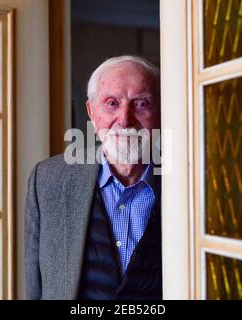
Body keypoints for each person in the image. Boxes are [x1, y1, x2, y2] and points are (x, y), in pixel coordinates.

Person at [25, 55, 162, 300]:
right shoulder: (47, 180)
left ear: (161, 111)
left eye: (141, 103)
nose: (125, 119)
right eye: (112, 103)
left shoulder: (189, 181)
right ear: (92, 112)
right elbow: (35, 287)